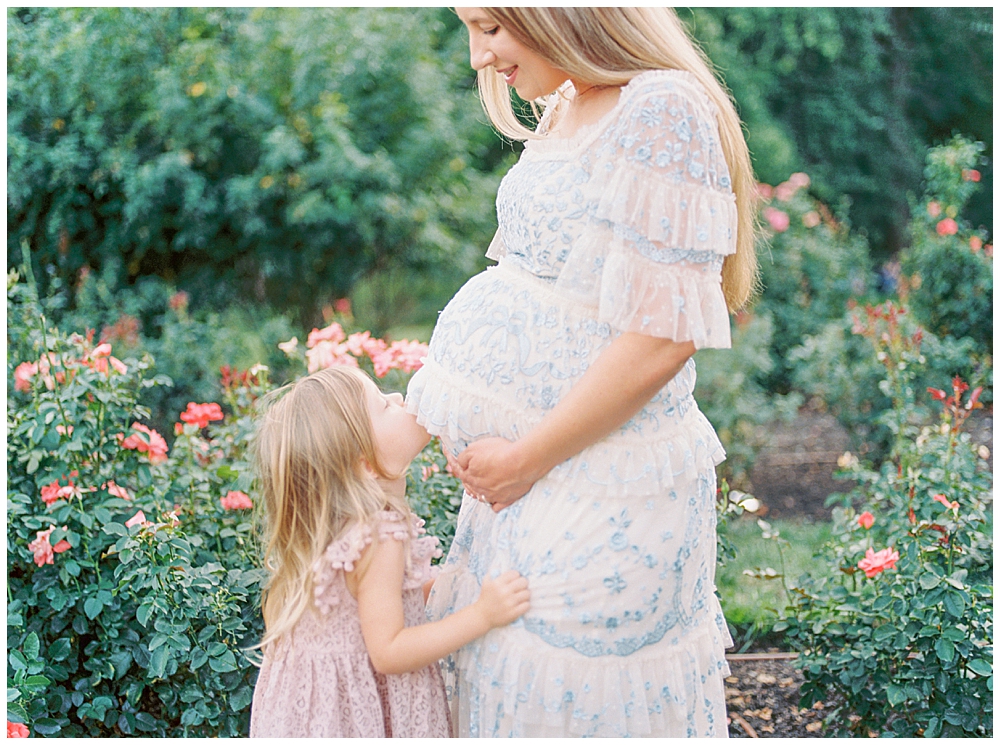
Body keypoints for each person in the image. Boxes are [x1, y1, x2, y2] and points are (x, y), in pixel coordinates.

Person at [404, 7, 759, 737]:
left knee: (573, 701)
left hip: (602, 481)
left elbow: (664, 333)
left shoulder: (661, 106)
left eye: (491, 28)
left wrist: (527, 456)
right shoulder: (566, 100)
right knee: (506, 685)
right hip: (523, 483)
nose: (478, 56)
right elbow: (538, 284)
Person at [248, 366, 531, 737]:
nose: (399, 399)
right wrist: (483, 615)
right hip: (354, 714)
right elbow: (389, 651)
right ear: (365, 465)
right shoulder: (378, 535)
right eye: (383, 405)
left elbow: (365, 607)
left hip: (310, 715)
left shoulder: (336, 527)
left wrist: (442, 587)